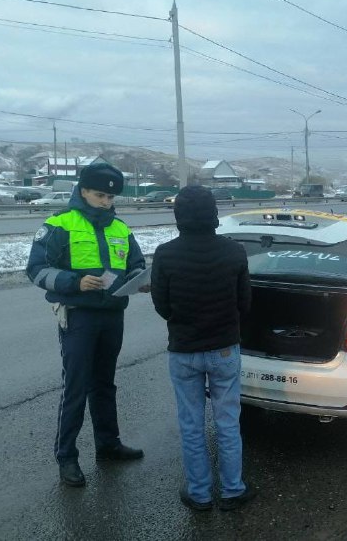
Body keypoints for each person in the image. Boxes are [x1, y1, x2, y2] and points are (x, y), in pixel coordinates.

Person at [26, 162, 146, 487]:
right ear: (83, 191)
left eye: (110, 196)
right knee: (76, 387)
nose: (105, 201)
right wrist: (73, 282)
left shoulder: (120, 228)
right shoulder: (59, 224)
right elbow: (36, 269)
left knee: (105, 384)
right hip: (79, 315)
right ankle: (67, 457)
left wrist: (139, 280)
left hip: (112, 315)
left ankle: (109, 444)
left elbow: (136, 264)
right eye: (99, 194)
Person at [150, 185, 255, 512]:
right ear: (214, 214)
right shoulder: (234, 251)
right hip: (224, 349)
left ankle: (199, 494)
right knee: (227, 422)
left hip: (183, 351)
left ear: (178, 216)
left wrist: (182, 320)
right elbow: (245, 303)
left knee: (191, 425)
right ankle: (233, 490)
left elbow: (161, 305)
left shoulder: (165, 254)